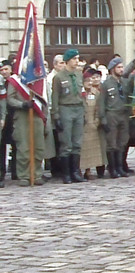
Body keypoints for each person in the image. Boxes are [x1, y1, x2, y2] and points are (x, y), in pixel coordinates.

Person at [50, 48, 86, 184]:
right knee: (66, 143)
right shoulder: (59, 77)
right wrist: (56, 116)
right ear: (67, 61)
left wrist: (83, 112)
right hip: (65, 109)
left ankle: (75, 171)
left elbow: (81, 94)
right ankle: (66, 174)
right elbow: (55, 98)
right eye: (74, 59)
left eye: (77, 58)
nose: (77, 61)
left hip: (78, 108)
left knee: (77, 142)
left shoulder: (78, 75)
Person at [79, 67, 106, 179]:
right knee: (82, 150)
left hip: (92, 124)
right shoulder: (80, 94)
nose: (90, 83)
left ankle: (89, 170)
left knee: (92, 150)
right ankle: (80, 170)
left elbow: (98, 108)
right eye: (87, 81)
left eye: (91, 81)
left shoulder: (96, 93)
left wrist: (96, 122)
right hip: (81, 125)